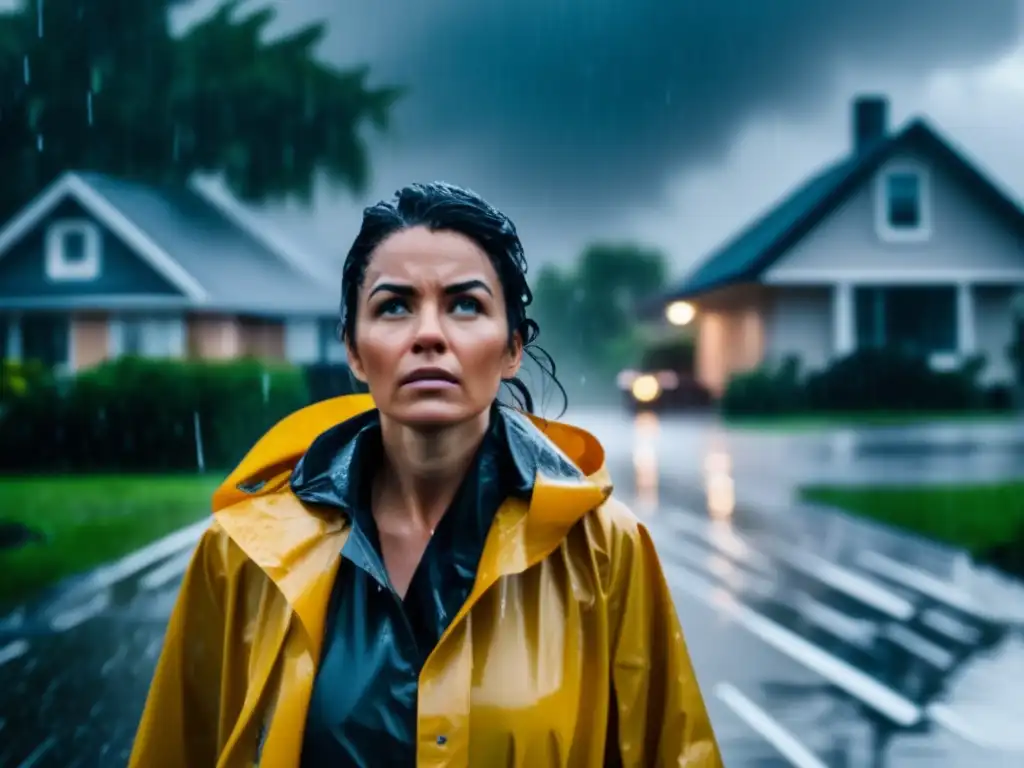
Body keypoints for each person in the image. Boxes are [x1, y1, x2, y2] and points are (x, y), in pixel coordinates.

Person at [129, 182, 723, 767]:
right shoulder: (243, 555)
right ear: (355, 352)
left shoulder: (604, 551)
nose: (429, 335)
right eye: (395, 306)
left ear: (512, 347)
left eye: (466, 304)